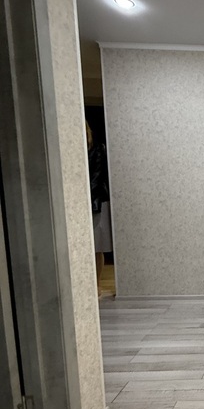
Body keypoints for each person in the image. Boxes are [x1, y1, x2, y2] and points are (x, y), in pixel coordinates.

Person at [87, 122, 112, 295]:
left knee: (98, 245)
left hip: (97, 200)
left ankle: (96, 284)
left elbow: (97, 176)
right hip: (89, 199)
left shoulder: (97, 149)